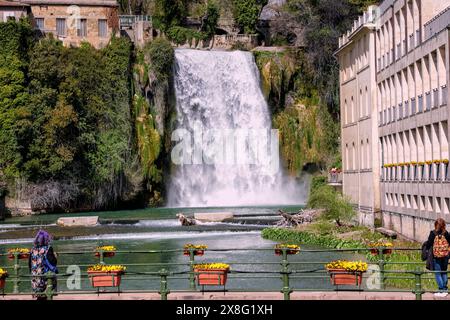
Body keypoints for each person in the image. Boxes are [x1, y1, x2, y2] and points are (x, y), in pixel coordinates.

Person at [28, 230, 58, 300]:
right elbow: (52, 262)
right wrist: (55, 256)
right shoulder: (48, 248)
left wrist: (33, 273)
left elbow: (29, 264)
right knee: (47, 295)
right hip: (45, 278)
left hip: (35, 278)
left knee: (39, 296)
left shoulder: (32, 249)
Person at [426, 218, 450, 297]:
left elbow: (428, 244)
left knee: (437, 273)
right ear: (443, 225)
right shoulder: (446, 233)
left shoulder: (433, 233)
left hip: (436, 256)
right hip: (445, 256)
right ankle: (445, 289)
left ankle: (441, 289)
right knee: (444, 271)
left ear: (435, 224)